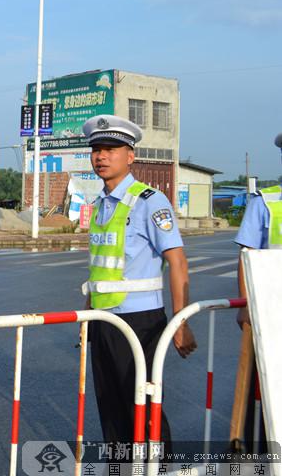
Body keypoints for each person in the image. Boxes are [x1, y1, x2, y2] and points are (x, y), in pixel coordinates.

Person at [80, 114, 196, 452]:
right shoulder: (100, 204)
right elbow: (101, 268)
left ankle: (157, 469)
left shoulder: (149, 202)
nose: (101, 156)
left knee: (143, 408)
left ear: (130, 156)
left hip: (139, 320)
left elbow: (177, 261)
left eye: (111, 149)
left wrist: (181, 322)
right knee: (111, 406)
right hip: (104, 319)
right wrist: (88, 316)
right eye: (96, 149)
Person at [232, 131, 282, 452]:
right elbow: (246, 255)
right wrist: (245, 304)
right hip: (270, 312)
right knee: (265, 389)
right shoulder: (266, 201)